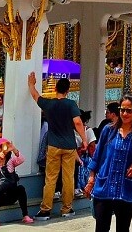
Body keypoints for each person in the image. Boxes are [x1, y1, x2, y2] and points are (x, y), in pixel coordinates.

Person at [85, 93, 132, 232]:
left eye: (129, 111)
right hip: (104, 188)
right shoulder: (109, 130)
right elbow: (97, 156)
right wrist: (91, 180)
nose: (125, 113)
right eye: (122, 110)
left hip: (125, 189)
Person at [28, 71, 87, 219]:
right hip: (69, 145)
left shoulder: (49, 104)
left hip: (53, 145)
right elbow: (78, 122)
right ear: (68, 90)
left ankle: (45, 209)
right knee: (68, 178)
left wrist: (31, 84)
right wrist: (84, 139)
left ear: (55, 89)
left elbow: (35, 96)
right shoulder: (71, 104)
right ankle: (66, 209)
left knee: (51, 178)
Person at [0, 140, 34, 226]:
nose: (1, 150)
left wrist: (13, 148)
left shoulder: (10, 162)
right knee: (2, 187)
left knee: (20, 188)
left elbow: (21, 159)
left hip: (8, 197)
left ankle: (25, 215)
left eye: (3, 147)